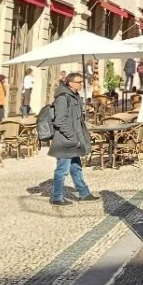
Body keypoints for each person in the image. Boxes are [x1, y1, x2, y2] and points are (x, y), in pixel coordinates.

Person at [49, 72, 99, 206]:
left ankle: (84, 193)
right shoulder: (63, 98)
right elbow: (60, 121)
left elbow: (75, 119)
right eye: (79, 82)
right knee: (62, 170)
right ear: (70, 83)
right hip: (65, 141)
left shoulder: (75, 97)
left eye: (81, 82)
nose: (81, 84)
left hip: (74, 140)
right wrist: (72, 136)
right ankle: (56, 197)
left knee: (76, 167)